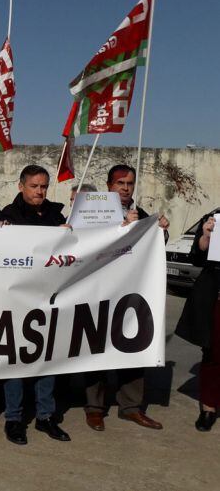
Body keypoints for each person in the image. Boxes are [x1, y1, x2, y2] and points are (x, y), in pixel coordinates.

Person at [82, 165, 168, 432]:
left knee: (131, 347)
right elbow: (83, 242)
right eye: (120, 182)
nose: (125, 187)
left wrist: (159, 231)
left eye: (130, 183)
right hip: (97, 291)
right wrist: (120, 229)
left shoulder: (141, 216)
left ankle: (130, 406)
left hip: (130, 294)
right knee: (95, 349)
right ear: (109, 185)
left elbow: (153, 251)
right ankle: (95, 408)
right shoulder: (92, 212)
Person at [0, 164, 70, 445]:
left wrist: (68, 232)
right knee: (16, 361)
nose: (40, 191)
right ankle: (14, 419)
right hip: (17, 298)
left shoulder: (56, 214)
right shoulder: (8, 216)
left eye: (43, 186)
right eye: (34, 186)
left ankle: (45, 417)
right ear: (21, 186)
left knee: (46, 359)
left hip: (50, 297)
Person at [176, 214, 220, 431]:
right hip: (216, 297)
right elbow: (197, 258)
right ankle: (209, 407)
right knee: (213, 353)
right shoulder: (213, 220)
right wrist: (206, 236)